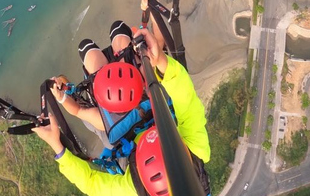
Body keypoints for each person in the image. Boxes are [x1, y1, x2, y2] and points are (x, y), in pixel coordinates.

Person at [33, 28, 210, 196]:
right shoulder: (196, 151)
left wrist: (58, 146)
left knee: (91, 57)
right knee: (117, 40)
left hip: (123, 131)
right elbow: (185, 99)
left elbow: (91, 183)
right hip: (146, 112)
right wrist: (160, 61)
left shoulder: (134, 186)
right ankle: (111, 51)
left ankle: (81, 84)